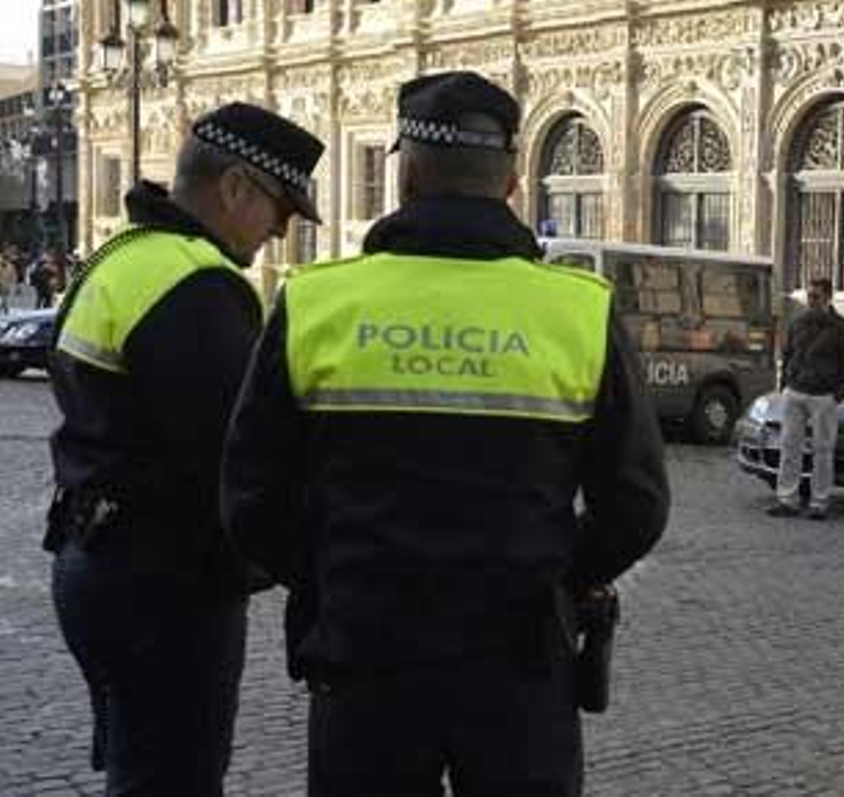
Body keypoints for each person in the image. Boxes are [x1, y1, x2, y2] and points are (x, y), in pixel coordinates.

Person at [220, 72, 669, 797]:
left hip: (366, 653)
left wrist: (338, 572)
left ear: (405, 172)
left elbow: (249, 499)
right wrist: (556, 571)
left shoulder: (315, 302)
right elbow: (638, 504)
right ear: (514, 178)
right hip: (521, 659)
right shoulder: (579, 310)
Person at [44, 104, 324, 796]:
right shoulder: (197, 283)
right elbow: (239, 454)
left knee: (141, 768)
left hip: (95, 555)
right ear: (234, 188)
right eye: (280, 208)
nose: (280, 231)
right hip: (164, 580)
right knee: (174, 777)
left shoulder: (125, 256)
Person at [770, 277, 844, 520]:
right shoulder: (798, 322)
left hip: (823, 396)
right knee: (789, 447)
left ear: (828, 298)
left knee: (823, 450)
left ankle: (819, 502)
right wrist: (784, 385)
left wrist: (835, 396)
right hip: (795, 391)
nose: (810, 301)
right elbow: (787, 354)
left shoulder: (842, 328)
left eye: (816, 297)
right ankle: (787, 499)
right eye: (808, 296)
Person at [0, 249, 14, 314]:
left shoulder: (10, 266)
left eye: (5, 259)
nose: (4, 260)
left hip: (6, 285)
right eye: (3, 259)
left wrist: (13, 283)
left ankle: (4, 308)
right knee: (4, 298)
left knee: (4, 298)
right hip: (1, 284)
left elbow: (13, 275)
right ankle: (6, 309)